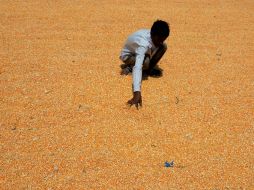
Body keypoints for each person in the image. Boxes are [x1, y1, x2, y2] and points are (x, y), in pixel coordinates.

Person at [119, 20, 170, 109]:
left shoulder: (154, 35)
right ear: (154, 35)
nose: (161, 42)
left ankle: (147, 70)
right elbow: (138, 66)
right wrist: (136, 94)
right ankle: (129, 68)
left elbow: (160, 44)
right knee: (145, 62)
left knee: (163, 46)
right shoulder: (143, 45)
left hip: (139, 51)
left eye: (163, 39)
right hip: (128, 56)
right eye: (159, 40)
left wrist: (160, 43)